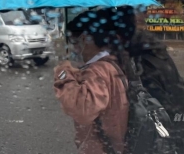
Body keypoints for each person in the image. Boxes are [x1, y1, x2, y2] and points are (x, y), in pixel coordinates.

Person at [110, 6, 184, 154]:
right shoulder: (149, 47)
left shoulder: (137, 57)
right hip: (181, 121)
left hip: (166, 127)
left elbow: (148, 105)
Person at [53, 9, 128, 154]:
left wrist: (63, 73)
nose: (73, 48)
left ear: (85, 39)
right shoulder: (112, 62)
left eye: (73, 42)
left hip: (101, 149)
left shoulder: (98, 71)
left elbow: (82, 109)